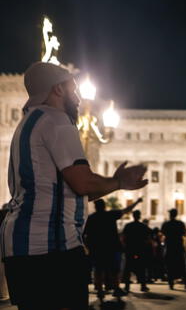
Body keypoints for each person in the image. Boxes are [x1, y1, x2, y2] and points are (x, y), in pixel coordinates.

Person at [0, 62, 147, 309]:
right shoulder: (56, 119)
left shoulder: (27, 124)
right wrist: (119, 181)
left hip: (21, 249)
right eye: (74, 89)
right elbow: (82, 183)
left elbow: (62, 191)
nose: (78, 98)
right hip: (51, 250)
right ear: (57, 89)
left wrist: (115, 184)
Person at [84, 197, 142, 300]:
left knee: (99, 269)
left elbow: (86, 234)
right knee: (114, 269)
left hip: (97, 247)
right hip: (111, 246)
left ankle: (100, 290)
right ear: (104, 206)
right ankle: (116, 288)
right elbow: (126, 210)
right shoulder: (110, 215)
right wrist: (137, 202)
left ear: (95, 207)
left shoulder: (91, 218)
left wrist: (88, 246)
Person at [122, 209, 152, 293]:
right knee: (141, 268)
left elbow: (124, 237)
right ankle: (143, 286)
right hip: (140, 249)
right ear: (139, 216)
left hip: (130, 249)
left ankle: (127, 287)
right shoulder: (143, 226)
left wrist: (125, 246)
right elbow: (148, 237)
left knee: (128, 268)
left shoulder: (128, 226)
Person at [161, 208, 186, 289]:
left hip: (170, 246)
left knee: (169, 265)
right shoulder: (180, 224)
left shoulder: (166, 224)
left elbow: (163, 232)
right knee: (182, 265)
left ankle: (171, 283)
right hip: (178, 246)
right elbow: (184, 232)